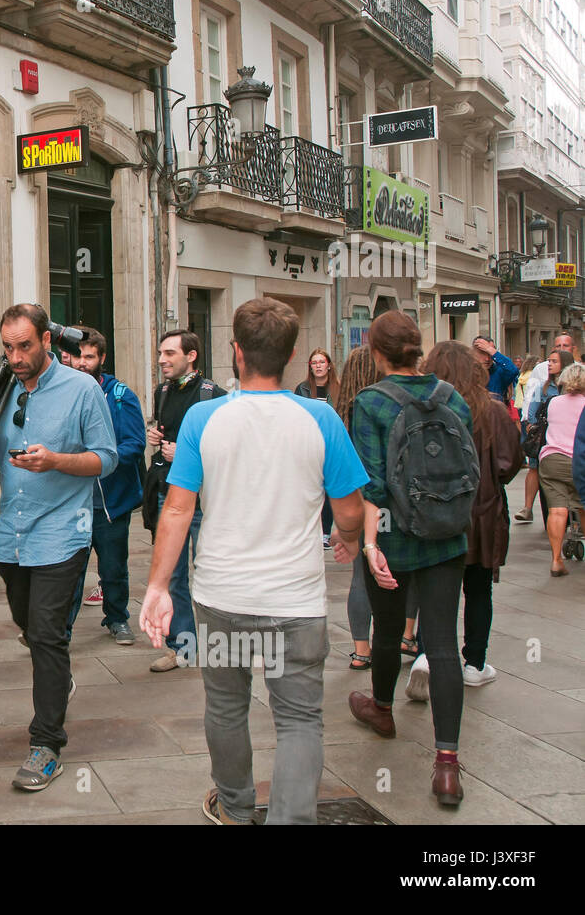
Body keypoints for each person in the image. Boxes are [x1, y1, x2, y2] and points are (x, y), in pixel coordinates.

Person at [140, 298, 367, 825]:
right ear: (290, 357)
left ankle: (237, 810)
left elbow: (177, 508)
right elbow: (350, 508)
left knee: (225, 708)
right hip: (296, 601)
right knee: (299, 720)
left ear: (236, 353)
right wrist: (349, 539)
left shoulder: (204, 417)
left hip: (224, 597)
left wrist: (156, 587)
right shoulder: (321, 417)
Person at [0, 304, 116, 792]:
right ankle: (57, 677)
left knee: (47, 635)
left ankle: (46, 743)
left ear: (47, 340)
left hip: (62, 532)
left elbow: (107, 459)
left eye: (25, 345)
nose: (16, 356)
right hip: (12, 537)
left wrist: (56, 461)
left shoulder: (82, 389)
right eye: (8, 347)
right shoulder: (3, 387)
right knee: (30, 628)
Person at [347, 310, 474, 808]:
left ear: (375, 352)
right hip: (447, 536)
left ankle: (381, 708)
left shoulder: (371, 401)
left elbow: (371, 483)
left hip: (395, 538)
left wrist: (371, 545)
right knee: (443, 644)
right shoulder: (453, 397)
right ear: (419, 349)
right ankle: (446, 764)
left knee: (385, 627)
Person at [420, 342, 521, 688]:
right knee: (478, 591)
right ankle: (474, 663)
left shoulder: (425, 408)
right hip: (481, 512)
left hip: (435, 512)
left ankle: (426, 654)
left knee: (435, 590)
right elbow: (509, 463)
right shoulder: (491, 410)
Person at [144, 329, 225, 672]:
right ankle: (183, 647)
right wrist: (154, 437)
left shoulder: (213, 396)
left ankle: (223, 643)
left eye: (169, 353)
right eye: (161, 353)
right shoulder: (162, 391)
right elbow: (164, 430)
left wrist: (188, 454)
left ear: (191, 356)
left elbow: (226, 450)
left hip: (205, 500)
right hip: (168, 493)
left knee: (213, 574)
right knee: (173, 575)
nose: (162, 359)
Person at [66, 327, 145, 645]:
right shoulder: (60, 393)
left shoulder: (120, 395)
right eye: (76, 356)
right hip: (71, 502)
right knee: (68, 572)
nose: (81, 363)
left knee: (113, 568)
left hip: (110, 502)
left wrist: (97, 460)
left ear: (101, 358)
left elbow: (135, 444)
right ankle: (61, 629)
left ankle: (117, 618)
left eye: (89, 357)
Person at [333, 346, 383, 670]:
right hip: (382, 502)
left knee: (360, 577)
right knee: (390, 572)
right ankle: (402, 635)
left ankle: (361, 650)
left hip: (355, 501)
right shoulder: (381, 408)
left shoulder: (341, 415)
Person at [517, 332, 579, 523]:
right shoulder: (542, 382)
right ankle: (531, 509)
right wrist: (531, 426)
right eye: (556, 348)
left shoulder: (579, 376)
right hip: (547, 441)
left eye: (564, 347)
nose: (550, 364)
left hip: (572, 442)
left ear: (571, 349)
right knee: (539, 475)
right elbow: (531, 404)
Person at [539, 362, 585, 577]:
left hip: (552, 459)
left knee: (557, 509)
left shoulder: (554, 402)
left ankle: (556, 559)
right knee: (582, 505)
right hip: (578, 461)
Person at [295, 348, 341, 547]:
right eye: (314, 363)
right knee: (313, 488)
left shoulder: (339, 388)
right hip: (310, 445)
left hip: (332, 445)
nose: (319, 366)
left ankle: (326, 532)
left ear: (329, 365)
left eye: (322, 362)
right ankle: (312, 529)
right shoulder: (303, 389)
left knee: (330, 490)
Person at [473, 335, 518, 402]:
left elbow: (512, 370)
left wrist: (491, 350)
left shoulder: (499, 373)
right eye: (482, 353)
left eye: (489, 353)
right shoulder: (467, 373)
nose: (487, 359)